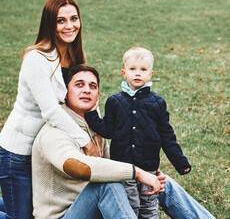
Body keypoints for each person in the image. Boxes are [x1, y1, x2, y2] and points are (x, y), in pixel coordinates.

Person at [32, 64, 215, 219]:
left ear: (98, 95)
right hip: (65, 215)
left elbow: (115, 165)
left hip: (96, 210)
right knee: (108, 184)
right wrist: (137, 172)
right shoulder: (54, 131)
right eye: (79, 85)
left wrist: (145, 172)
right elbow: (79, 167)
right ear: (65, 93)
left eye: (93, 86)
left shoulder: (94, 128)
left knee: (159, 181)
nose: (87, 89)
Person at [0, 0, 97, 219]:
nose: (69, 25)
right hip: (18, 154)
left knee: (29, 210)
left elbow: (85, 101)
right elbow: (51, 111)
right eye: (61, 20)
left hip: (43, 152)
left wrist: (98, 132)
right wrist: (86, 142)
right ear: (49, 24)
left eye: (74, 18)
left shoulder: (74, 56)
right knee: (21, 217)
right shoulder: (36, 58)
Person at [84, 47, 191, 218]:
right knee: (130, 204)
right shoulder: (114, 101)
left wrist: (180, 162)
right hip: (124, 167)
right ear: (124, 73)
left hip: (149, 167)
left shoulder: (157, 103)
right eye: (132, 69)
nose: (138, 73)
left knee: (149, 206)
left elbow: (166, 135)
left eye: (143, 69)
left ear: (151, 74)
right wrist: (91, 115)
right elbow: (108, 130)